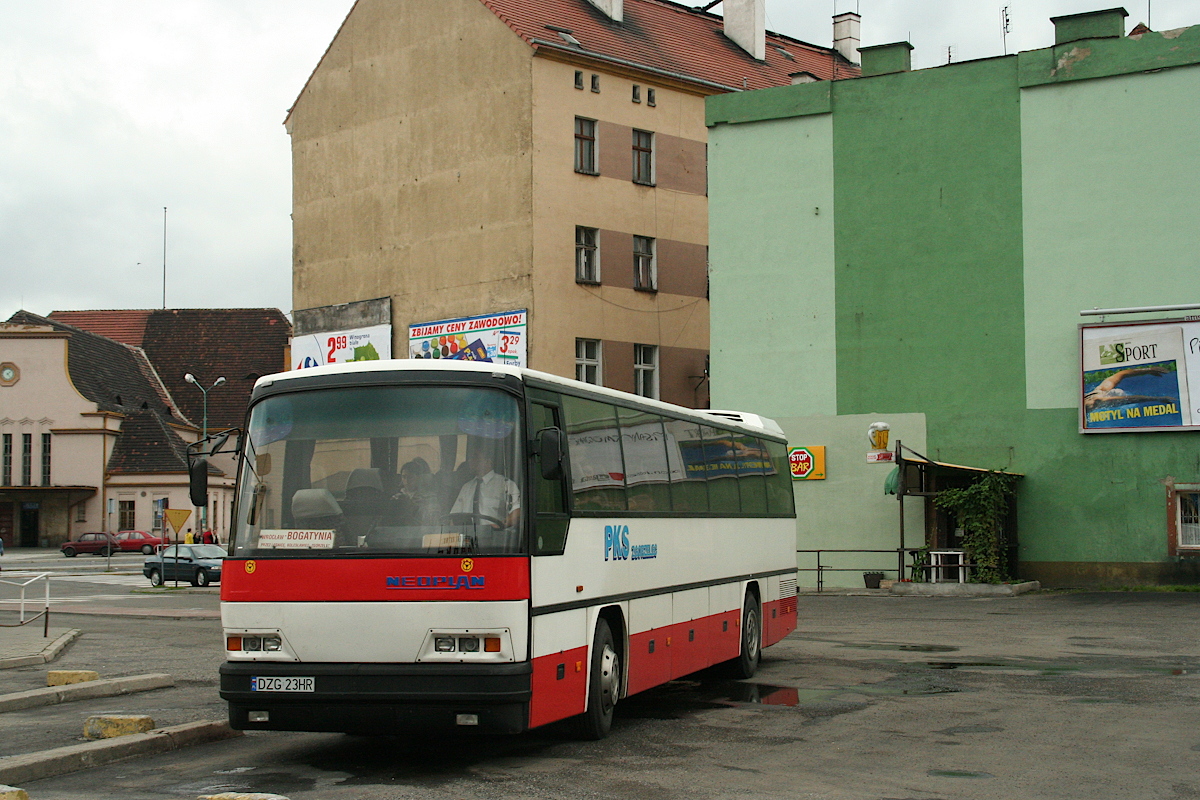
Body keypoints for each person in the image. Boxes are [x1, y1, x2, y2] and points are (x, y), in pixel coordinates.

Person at [449, 439, 521, 528]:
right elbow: (454, 517)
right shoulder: (466, 487)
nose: (471, 461)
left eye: (476, 457)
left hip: (495, 539)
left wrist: (500, 526)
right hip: (468, 538)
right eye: (470, 458)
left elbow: (517, 511)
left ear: (488, 461)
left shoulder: (505, 484)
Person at [1084, 366, 1173, 411]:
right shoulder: (1099, 396)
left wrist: (1149, 369)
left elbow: (1122, 374)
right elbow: (1122, 374)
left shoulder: (1099, 394)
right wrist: (1148, 369)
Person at [395, 458, 441, 526]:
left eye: (410, 477)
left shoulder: (430, 497)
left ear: (418, 478)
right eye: (404, 477)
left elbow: (433, 521)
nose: (407, 481)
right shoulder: (397, 496)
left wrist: (412, 506)